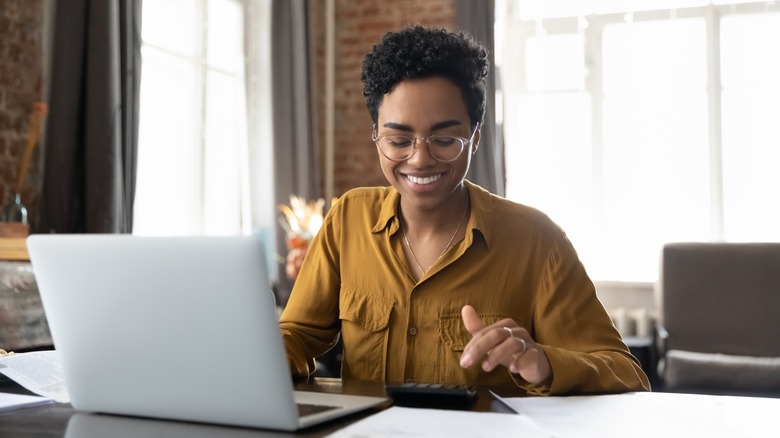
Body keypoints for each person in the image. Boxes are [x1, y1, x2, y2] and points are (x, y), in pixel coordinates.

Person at [279, 25, 650, 395]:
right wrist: (267, 353)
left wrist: (543, 362)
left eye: (444, 139)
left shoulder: (537, 241)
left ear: (475, 137)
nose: (420, 159)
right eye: (398, 140)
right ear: (376, 135)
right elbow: (297, 335)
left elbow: (626, 373)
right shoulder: (348, 219)